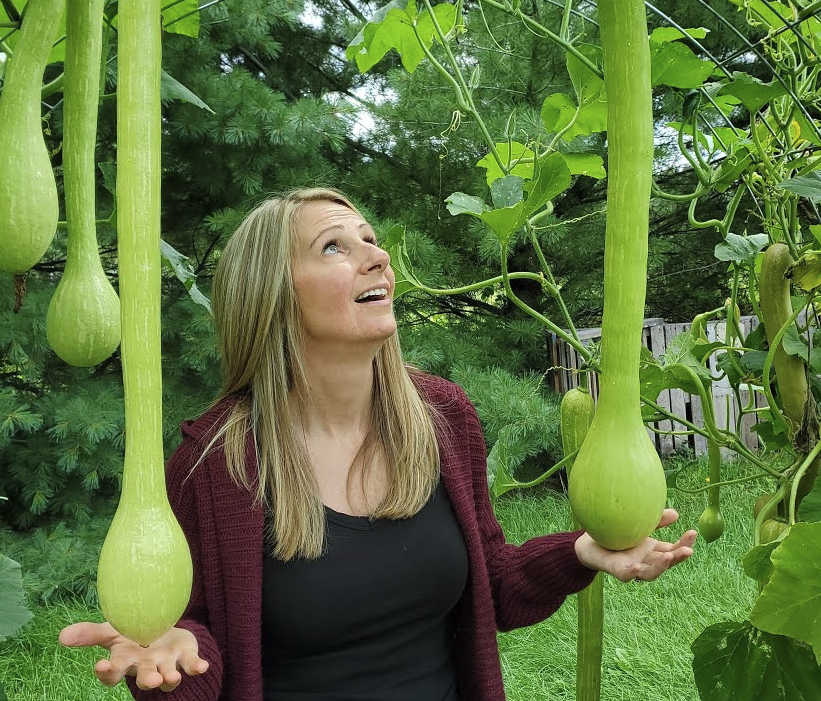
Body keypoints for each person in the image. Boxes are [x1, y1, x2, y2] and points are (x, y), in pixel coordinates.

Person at [59, 187, 697, 700]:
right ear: (272, 293)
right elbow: (199, 643)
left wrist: (581, 553)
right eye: (334, 247)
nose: (377, 257)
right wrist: (172, 664)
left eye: (371, 240)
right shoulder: (213, 464)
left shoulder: (442, 418)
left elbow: (494, 586)